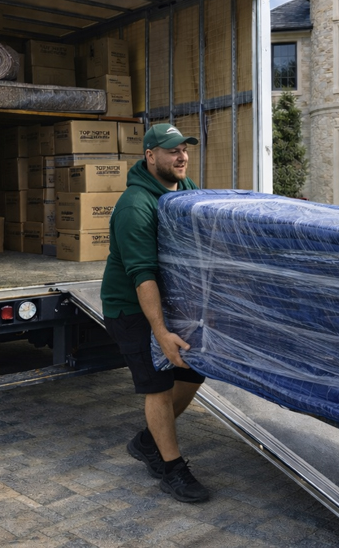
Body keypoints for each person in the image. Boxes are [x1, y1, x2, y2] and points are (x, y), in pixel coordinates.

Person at [101, 123, 211, 504]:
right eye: (171, 150)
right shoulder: (135, 205)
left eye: (184, 149)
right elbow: (142, 276)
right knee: (158, 383)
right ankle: (171, 469)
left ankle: (147, 440)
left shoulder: (188, 190)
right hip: (131, 308)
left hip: (170, 304)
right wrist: (161, 333)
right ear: (150, 156)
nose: (181, 156)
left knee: (194, 369)